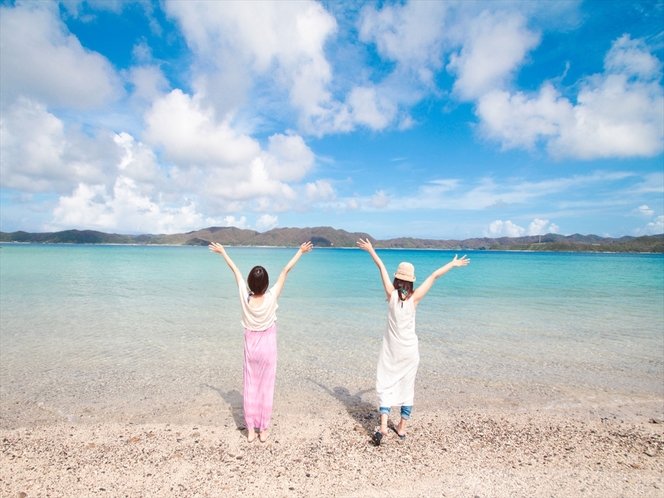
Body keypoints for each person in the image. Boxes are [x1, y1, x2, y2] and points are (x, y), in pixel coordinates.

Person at [357, 238, 470, 445]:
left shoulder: (390, 295)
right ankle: (401, 427)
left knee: (385, 383)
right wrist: (453, 264)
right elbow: (434, 276)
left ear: (397, 279)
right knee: (407, 387)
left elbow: (380, 266)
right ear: (411, 282)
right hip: (409, 351)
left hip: (391, 351)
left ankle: (383, 427)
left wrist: (371, 250)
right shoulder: (415, 298)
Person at [209, 241, 313, 443]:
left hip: (251, 346)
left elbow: (235, 270)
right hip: (267, 347)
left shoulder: (244, 297)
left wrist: (223, 252)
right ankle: (263, 430)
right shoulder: (272, 296)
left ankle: (250, 430)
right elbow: (285, 271)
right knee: (266, 387)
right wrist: (300, 252)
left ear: (249, 283)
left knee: (250, 386)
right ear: (266, 284)